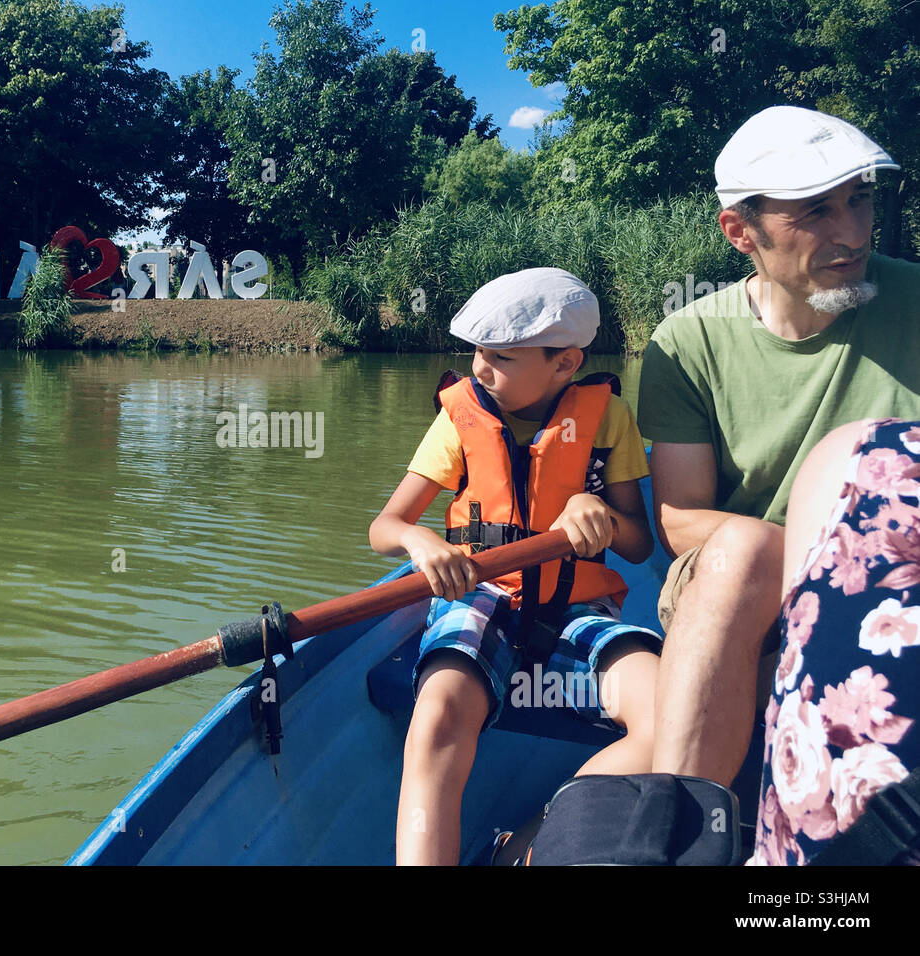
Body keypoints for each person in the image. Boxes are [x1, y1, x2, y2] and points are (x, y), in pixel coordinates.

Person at [637, 106, 920, 787]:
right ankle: (682, 825)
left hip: (903, 570)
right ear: (740, 231)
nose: (851, 232)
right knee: (738, 554)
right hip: (743, 583)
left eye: (860, 200)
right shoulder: (686, 342)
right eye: (815, 212)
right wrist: (827, 563)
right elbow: (679, 521)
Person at [369, 268, 660, 866]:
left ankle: (529, 841)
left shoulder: (607, 419)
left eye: (500, 356)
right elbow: (386, 527)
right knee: (437, 717)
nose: (480, 367)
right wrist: (422, 546)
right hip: (480, 599)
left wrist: (594, 507)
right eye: (477, 351)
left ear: (565, 362)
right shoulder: (458, 417)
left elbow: (635, 544)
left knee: (672, 717)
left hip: (579, 611)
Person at [751, 418, 920, 864]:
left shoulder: (853, 452)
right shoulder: (861, 454)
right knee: (738, 553)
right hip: (751, 556)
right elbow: (678, 519)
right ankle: (686, 815)